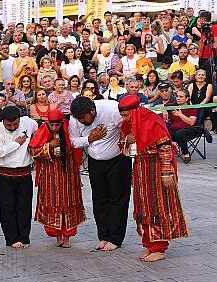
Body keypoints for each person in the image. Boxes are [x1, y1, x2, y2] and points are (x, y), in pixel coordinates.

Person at [118, 95, 189, 262]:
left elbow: (165, 148)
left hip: (156, 170)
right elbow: (123, 147)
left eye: (126, 115)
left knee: (158, 208)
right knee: (144, 209)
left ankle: (159, 247)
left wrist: (166, 172)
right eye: (122, 115)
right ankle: (150, 245)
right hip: (140, 170)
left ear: (135, 111)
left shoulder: (152, 121)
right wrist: (126, 140)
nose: (124, 119)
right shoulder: (129, 125)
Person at [69, 97, 132, 251]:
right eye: (79, 119)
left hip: (117, 160)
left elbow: (128, 125)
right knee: (99, 199)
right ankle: (103, 236)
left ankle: (116, 238)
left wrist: (126, 141)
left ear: (92, 111)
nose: (82, 121)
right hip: (94, 162)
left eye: (84, 118)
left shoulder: (111, 109)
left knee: (118, 199)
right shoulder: (75, 118)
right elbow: (73, 141)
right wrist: (90, 138)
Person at [28, 109, 86, 248]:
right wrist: (49, 146)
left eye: (57, 125)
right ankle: (57, 235)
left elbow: (76, 147)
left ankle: (67, 236)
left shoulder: (69, 130)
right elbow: (33, 150)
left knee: (69, 201)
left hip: (68, 173)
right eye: (52, 125)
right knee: (52, 201)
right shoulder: (42, 130)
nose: (54, 128)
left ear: (62, 122)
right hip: (50, 174)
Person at [0, 106, 38, 249]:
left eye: (15, 124)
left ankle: (24, 237)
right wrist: (16, 143)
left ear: (20, 119)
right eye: (8, 125)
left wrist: (34, 144)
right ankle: (11, 238)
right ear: (3, 121)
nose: (12, 127)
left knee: (25, 207)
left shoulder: (28, 122)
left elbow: (39, 130)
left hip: (24, 172)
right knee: (7, 208)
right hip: (5, 173)